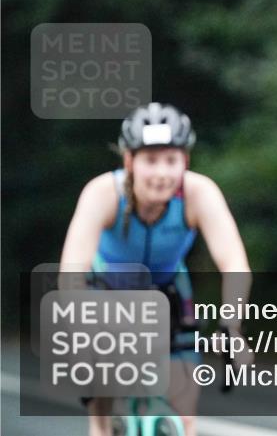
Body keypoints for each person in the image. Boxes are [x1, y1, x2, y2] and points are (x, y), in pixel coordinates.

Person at [60, 103, 252, 436]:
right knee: (101, 406)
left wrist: (231, 328)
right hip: (106, 288)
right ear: (129, 161)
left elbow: (234, 263)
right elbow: (72, 270)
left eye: (171, 160)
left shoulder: (200, 193)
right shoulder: (102, 193)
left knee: (184, 411)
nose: (162, 173)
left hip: (170, 290)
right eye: (150, 160)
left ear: (184, 162)